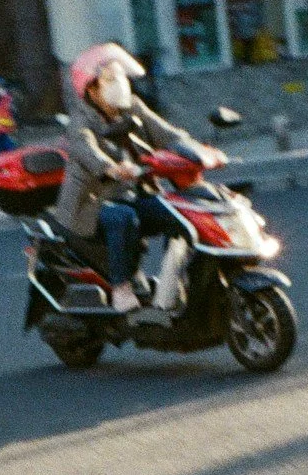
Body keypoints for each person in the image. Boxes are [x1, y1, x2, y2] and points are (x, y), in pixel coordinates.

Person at [56, 43, 224, 310]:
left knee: (181, 212)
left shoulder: (132, 107)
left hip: (133, 195)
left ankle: (175, 281)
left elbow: (167, 133)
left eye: (121, 77)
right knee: (124, 218)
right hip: (91, 206)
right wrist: (110, 167)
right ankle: (121, 289)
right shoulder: (81, 121)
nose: (120, 85)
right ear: (91, 89)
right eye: (110, 80)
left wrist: (198, 151)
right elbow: (84, 148)